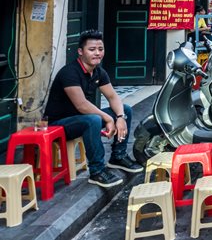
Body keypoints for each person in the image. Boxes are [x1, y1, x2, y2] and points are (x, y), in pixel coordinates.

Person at [44, 30, 142, 188]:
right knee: (94, 119)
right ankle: (97, 171)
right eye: (92, 50)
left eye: (100, 49)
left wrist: (120, 117)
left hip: (83, 119)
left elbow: (113, 97)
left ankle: (118, 156)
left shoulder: (98, 72)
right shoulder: (69, 72)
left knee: (125, 109)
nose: (97, 53)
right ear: (80, 52)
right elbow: (81, 105)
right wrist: (109, 119)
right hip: (60, 124)